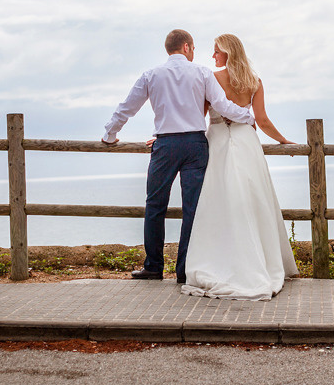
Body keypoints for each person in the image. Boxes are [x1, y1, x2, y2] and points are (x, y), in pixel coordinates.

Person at [102, 29, 255, 284]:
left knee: (155, 205)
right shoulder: (203, 73)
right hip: (195, 144)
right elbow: (223, 106)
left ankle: (153, 267)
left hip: (166, 145)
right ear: (186, 47)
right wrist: (248, 117)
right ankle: (184, 270)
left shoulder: (151, 75)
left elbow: (127, 108)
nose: (194, 53)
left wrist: (110, 135)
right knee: (192, 208)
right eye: (193, 48)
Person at [180, 33, 299, 301]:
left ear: (227, 53)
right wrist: (283, 140)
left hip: (218, 140)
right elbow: (262, 121)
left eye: (216, 51)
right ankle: (261, 260)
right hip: (247, 141)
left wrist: (166, 133)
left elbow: (198, 116)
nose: (213, 56)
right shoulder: (254, 81)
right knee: (253, 199)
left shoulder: (212, 79)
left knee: (219, 200)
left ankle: (225, 260)